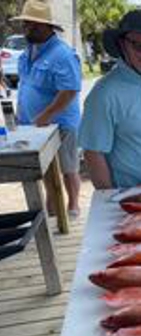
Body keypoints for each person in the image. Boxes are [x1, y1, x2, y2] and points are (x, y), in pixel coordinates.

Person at [79, 10, 141, 189]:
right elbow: (93, 153)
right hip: (131, 200)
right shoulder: (104, 94)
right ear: (123, 45)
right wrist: (110, 201)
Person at [13, 0, 82, 216]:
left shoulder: (62, 54)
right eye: (25, 24)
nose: (27, 28)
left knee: (68, 168)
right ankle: (53, 208)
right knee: (44, 170)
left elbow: (70, 90)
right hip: (33, 124)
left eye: (33, 24)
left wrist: (46, 115)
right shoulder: (27, 53)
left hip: (60, 123)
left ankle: (72, 206)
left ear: (48, 27)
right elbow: (25, 86)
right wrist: (20, 115)